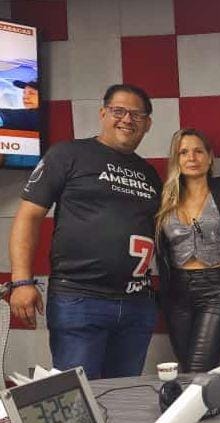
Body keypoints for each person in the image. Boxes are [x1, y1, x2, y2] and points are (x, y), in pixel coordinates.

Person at [8, 83, 161, 378]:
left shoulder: (150, 174)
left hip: (136, 304)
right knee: (80, 399)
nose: (127, 119)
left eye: (137, 115)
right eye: (118, 111)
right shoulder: (68, 154)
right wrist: (21, 281)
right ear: (103, 113)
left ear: (147, 124)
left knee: (124, 397)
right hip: (80, 299)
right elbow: (29, 216)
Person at [155, 128, 220, 373]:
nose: (192, 158)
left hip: (215, 288)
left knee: (198, 368)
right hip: (176, 291)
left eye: (198, 151)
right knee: (186, 367)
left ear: (210, 157)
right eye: (183, 152)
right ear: (176, 159)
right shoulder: (163, 196)